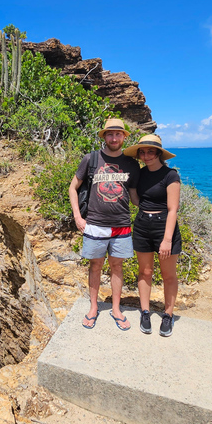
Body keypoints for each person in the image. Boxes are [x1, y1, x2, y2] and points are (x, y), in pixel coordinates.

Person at [69, 118, 140, 331]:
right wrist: (77, 218)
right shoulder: (91, 159)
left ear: (124, 137)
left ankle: (116, 309)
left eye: (118, 134)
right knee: (95, 266)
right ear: (104, 137)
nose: (114, 138)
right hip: (95, 225)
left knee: (117, 267)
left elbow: (134, 195)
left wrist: (157, 207)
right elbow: (73, 188)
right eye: (110, 134)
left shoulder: (131, 164)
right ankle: (93, 307)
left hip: (121, 225)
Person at [122, 134, 181, 337]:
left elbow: (173, 209)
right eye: (143, 151)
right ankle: (145, 312)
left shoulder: (170, 175)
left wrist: (166, 239)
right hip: (142, 225)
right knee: (145, 272)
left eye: (150, 151)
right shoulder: (140, 173)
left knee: (168, 275)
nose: (146, 155)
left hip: (164, 227)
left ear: (158, 153)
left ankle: (168, 314)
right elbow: (137, 200)